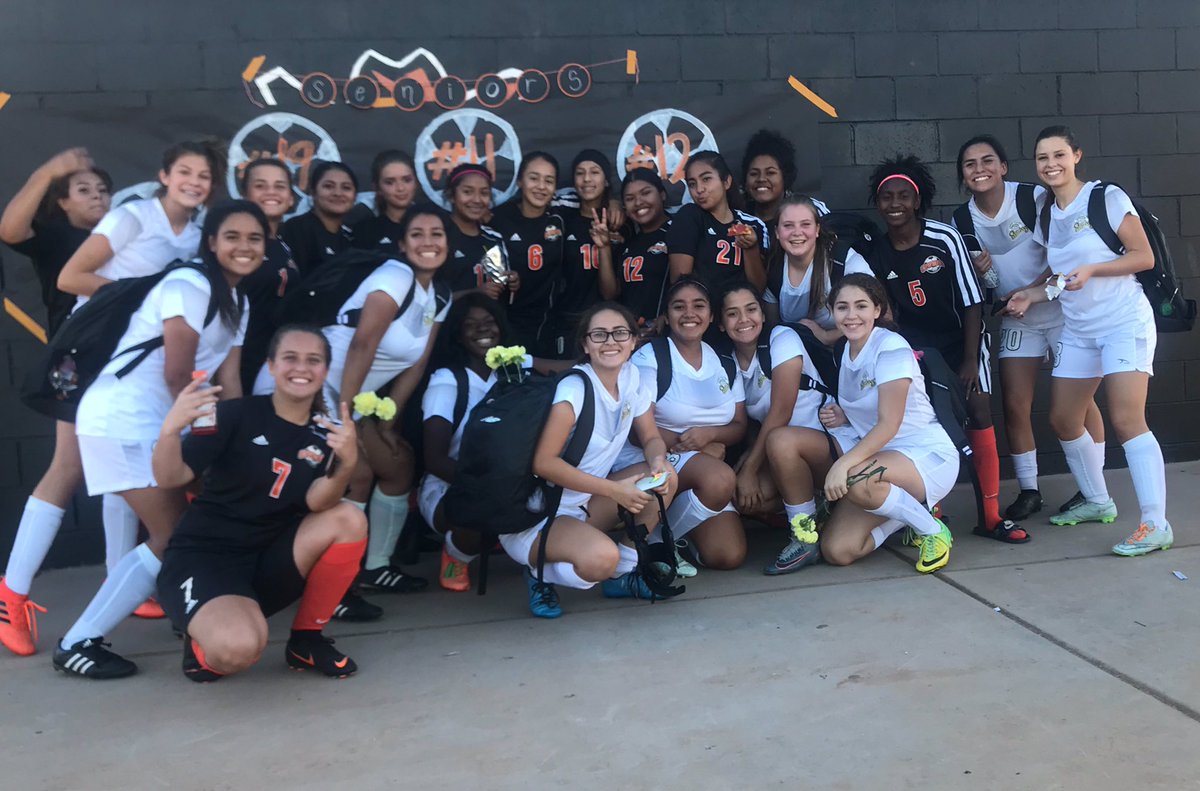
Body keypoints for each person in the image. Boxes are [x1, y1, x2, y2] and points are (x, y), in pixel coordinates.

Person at [0, 141, 219, 657]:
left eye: (203, 174)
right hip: (93, 350)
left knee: (127, 475)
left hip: (131, 360)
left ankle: (123, 582)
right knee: (67, 468)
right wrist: (140, 300)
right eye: (184, 171)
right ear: (164, 175)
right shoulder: (134, 218)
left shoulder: (196, 235)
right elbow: (69, 277)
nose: (193, 181)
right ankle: (12, 591)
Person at [51, 200, 262, 678]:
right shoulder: (189, 284)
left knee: (179, 533)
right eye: (232, 236)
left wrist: (240, 440)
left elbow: (230, 384)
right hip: (124, 418)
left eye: (254, 238)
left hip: (155, 423)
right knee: (175, 536)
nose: (244, 246)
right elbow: (177, 375)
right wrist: (206, 447)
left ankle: (176, 617)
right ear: (211, 242)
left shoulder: (239, 302)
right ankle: (79, 640)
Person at [153, 325, 366, 681]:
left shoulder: (324, 432)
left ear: (325, 371)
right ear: (270, 366)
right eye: (290, 358)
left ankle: (306, 640)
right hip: (207, 557)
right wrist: (170, 430)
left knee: (349, 518)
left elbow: (318, 502)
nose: (302, 368)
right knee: (238, 650)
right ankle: (201, 644)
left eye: (313, 360)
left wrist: (346, 464)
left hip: (269, 559)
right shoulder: (234, 414)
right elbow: (170, 477)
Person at [1005, 125, 1170, 556]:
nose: (1051, 164)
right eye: (1042, 158)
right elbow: (1061, 278)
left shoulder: (1106, 198)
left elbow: (1143, 257)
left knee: (1126, 419)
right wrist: (1033, 293)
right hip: (1079, 328)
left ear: (1076, 155)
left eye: (1059, 154)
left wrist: (1095, 270)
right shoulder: (1046, 213)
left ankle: (1155, 522)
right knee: (1062, 417)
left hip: (1123, 323)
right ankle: (1097, 500)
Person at [861, 155, 1027, 543]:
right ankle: (926, 512)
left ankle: (989, 515)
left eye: (904, 195)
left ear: (918, 201)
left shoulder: (944, 237)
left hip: (960, 343)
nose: (895, 203)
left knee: (977, 407)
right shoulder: (877, 252)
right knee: (923, 420)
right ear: (878, 203)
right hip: (915, 353)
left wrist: (970, 359)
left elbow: (972, 302)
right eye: (887, 197)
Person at [954, 135, 1104, 520]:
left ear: (1003, 166)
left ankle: (1093, 488)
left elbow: (1062, 255)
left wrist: (1032, 291)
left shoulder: (1031, 198)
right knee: (1016, 404)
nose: (980, 169)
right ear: (963, 175)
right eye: (970, 164)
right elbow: (981, 289)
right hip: (1019, 320)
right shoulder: (960, 220)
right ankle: (1029, 490)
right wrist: (984, 275)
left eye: (988, 160)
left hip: (1063, 312)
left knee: (1080, 402)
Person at [502, 302, 676, 618]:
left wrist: (658, 462)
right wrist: (614, 491)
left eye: (620, 333)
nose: (611, 342)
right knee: (600, 559)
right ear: (585, 344)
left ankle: (623, 575)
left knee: (668, 477)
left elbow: (650, 437)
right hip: (541, 514)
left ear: (634, 340)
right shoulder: (574, 390)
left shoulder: (632, 377)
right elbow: (545, 463)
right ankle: (539, 573)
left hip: (583, 504)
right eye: (599, 335)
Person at [322, 204, 451, 598]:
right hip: (320, 387)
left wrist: (387, 421)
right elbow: (362, 344)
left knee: (398, 465)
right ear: (402, 243)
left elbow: (417, 364)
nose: (428, 242)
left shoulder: (440, 295)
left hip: (358, 398)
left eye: (437, 234)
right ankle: (336, 582)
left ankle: (375, 569)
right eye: (417, 234)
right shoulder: (394, 275)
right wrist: (347, 421)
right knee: (356, 474)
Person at [814, 274, 957, 573]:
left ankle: (931, 530)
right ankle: (910, 514)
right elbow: (868, 407)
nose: (851, 316)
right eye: (842, 307)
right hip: (881, 462)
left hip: (925, 455)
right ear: (832, 312)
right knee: (838, 550)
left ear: (877, 310)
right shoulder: (845, 349)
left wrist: (841, 466)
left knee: (855, 478)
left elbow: (889, 423)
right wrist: (844, 416)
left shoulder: (891, 346)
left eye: (861, 306)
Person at [719, 284, 851, 575]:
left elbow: (781, 411)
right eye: (732, 313)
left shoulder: (782, 338)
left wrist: (750, 469)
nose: (744, 319)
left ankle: (804, 537)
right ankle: (818, 507)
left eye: (751, 309)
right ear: (721, 322)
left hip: (830, 447)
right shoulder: (726, 361)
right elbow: (755, 421)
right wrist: (747, 465)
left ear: (763, 315)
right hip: (787, 456)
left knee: (779, 441)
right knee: (742, 500)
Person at [623, 278, 748, 573]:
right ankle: (651, 547)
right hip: (654, 460)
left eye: (698, 306)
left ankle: (667, 536)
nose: (689, 314)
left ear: (711, 315)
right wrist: (690, 445)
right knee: (720, 478)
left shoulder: (725, 363)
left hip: (700, 468)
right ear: (666, 316)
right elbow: (636, 428)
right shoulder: (651, 357)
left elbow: (740, 425)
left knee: (727, 556)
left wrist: (710, 435)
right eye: (679, 307)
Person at [0, 148, 112, 335]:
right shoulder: (57, 237)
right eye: (84, 190)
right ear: (63, 203)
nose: (96, 195)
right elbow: (10, 232)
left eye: (103, 190)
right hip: (76, 344)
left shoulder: (126, 233)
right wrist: (46, 173)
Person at [763, 195, 871, 340]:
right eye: (788, 225)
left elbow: (878, 318)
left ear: (817, 229)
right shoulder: (774, 266)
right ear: (777, 232)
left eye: (805, 224)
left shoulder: (842, 260)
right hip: (799, 352)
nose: (797, 232)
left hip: (850, 345)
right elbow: (774, 330)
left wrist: (826, 336)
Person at [235, 158, 301, 394]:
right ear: (245, 194)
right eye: (261, 186)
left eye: (280, 186)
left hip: (274, 362)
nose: (271, 192)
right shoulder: (237, 242)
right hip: (238, 363)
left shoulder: (283, 244)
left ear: (291, 197)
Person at [489, 152, 565, 355]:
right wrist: (505, 278)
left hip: (548, 321)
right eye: (534, 178)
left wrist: (613, 203)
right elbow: (490, 273)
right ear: (520, 181)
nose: (541, 186)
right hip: (506, 321)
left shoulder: (560, 217)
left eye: (548, 181)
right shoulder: (497, 219)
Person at [668, 152, 768, 295]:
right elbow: (680, 285)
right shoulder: (688, 216)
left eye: (706, 179)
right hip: (703, 313)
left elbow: (758, 289)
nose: (699, 189)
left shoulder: (753, 224)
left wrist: (751, 248)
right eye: (692, 184)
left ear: (726, 182)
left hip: (740, 312)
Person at [544, 150, 611, 358]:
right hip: (566, 320)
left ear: (606, 180)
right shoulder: (562, 219)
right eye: (580, 173)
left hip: (605, 321)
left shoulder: (620, 222)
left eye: (595, 172)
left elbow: (611, 292)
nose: (587, 179)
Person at [596, 169, 672, 334]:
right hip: (633, 337)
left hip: (669, 333)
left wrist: (667, 316)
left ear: (662, 195)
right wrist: (603, 248)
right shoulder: (629, 241)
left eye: (645, 193)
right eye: (630, 199)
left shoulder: (679, 231)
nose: (638, 202)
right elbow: (610, 294)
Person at [440, 162, 513, 298]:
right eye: (467, 192)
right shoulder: (438, 237)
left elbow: (499, 285)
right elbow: (428, 298)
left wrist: (511, 281)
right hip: (449, 319)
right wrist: (474, 294)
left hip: (489, 318)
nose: (477, 200)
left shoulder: (493, 238)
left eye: (484, 193)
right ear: (451, 195)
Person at [281, 160, 356, 276]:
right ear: (313, 192)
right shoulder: (297, 229)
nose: (337, 193)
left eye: (346, 188)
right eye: (328, 186)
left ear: (355, 196)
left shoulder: (350, 238)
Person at [353, 150, 418, 252]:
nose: (400, 188)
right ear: (377, 188)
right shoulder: (365, 230)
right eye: (390, 182)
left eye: (407, 180)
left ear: (416, 182)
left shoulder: (434, 223)